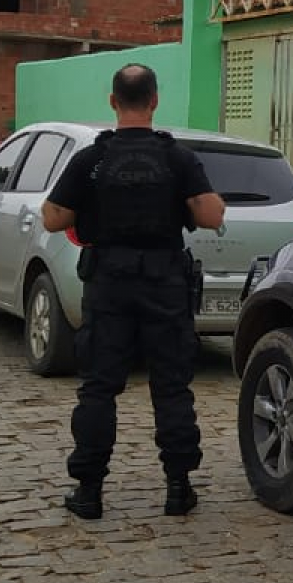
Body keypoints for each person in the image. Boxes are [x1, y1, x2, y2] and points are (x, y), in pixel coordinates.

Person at [42, 64, 226, 519]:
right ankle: (178, 488)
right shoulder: (177, 158)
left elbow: (53, 217)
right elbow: (210, 215)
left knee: (99, 387)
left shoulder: (92, 159)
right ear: (155, 101)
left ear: (113, 102)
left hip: (108, 284)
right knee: (172, 386)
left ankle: (89, 492)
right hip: (164, 283)